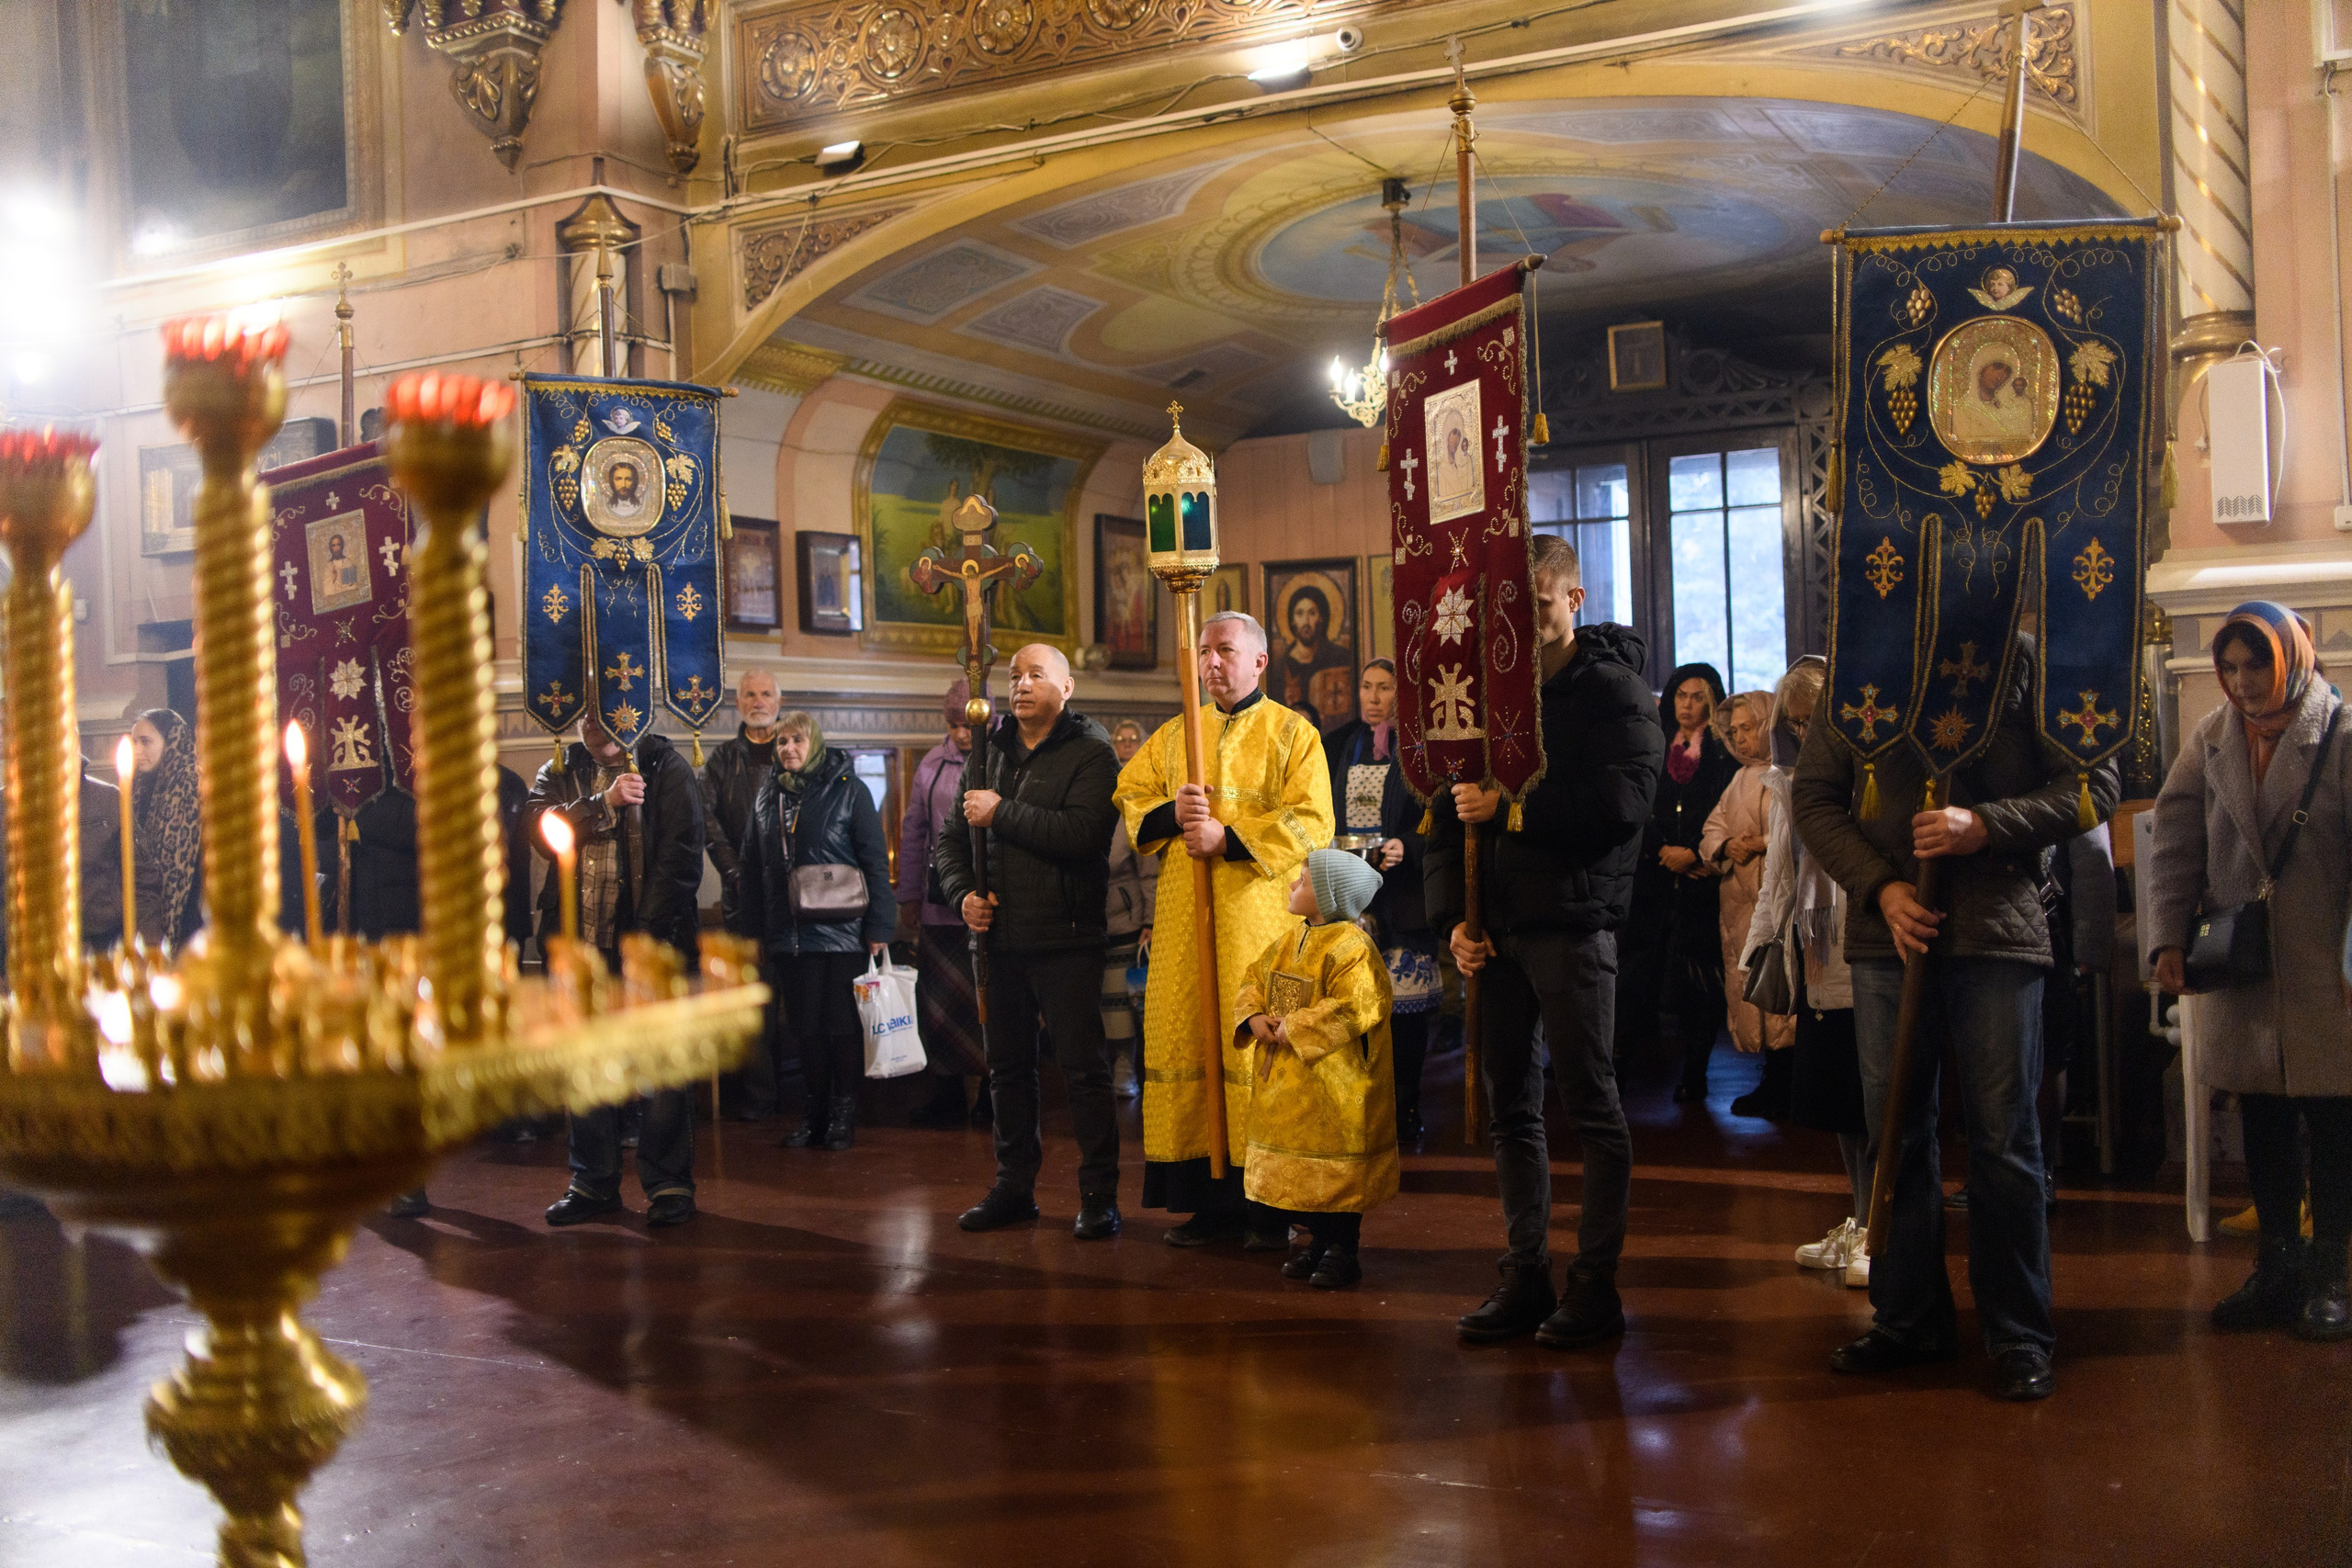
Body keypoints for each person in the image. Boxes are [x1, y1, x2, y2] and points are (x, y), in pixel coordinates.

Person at [1792, 630, 2116, 1403]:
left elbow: (2093, 783)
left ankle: (2018, 1330)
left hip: (1998, 927)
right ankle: (1907, 1318)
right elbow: (1815, 795)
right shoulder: (1863, 658)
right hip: (1889, 936)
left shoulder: (2026, 659)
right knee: (1893, 1128)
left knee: (2005, 1137)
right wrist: (1882, 888)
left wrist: (1985, 825)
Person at [1436, 536, 1663, 1347]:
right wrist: (1453, 922)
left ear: (1574, 598)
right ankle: (1523, 1269)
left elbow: (1623, 803)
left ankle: (1595, 1283)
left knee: (1592, 1105)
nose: (1526, 620)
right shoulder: (1486, 691)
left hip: (1572, 923)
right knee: (1511, 1107)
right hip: (1495, 930)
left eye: (1539, 601)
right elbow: (1445, 813)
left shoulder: (1614, 689)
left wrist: (1516, 811)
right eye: (1513, 607)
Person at [2147, 603, 2352, 1342]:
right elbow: (2172, 838)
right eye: (2229, 668)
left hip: (2326, 963)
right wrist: (2166, 936)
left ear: (2290, 656)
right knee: (2262, 1115)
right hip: (2244, 960)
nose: (2241, 681)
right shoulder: (2211, 738)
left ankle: (2333, 1271)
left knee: (2334, 1120)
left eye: (2255, 664)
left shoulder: (2340, 733)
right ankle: (2279, 1267)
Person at [1114, 611, 1334, 1248]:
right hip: (1185, 922)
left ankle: (1268, 1207)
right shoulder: (1176, 732)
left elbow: (1314, 821)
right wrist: (1169, 812)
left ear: (1260, 660)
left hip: (1259, 920)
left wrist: (1227, 836)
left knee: (1258, 1048)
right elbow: (1130, 794)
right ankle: (1206, 1199)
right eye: (1204, 651)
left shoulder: (1293, 733)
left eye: (1225, 650)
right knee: (1191, 1042)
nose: (1212, 662)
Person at [937, 645, 1125, 1239]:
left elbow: (1082, 833)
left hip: (1066, 936)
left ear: (1066, 688)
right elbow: (950, 840)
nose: (1020, 685)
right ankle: (1014, 1186)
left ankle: (1098, 1194)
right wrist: (963, 895)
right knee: (1007, 1070)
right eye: (1014, 675)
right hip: (998, 940)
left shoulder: (1091, 752)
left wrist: (1002, 813)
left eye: (1035, 675)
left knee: (1083, 1070)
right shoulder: (988, 751)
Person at [532, 710, 707, 1227]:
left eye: (605, 713)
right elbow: (542, 832)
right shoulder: (560, 770)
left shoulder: (666, 766)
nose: (594, 726)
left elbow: (680, 860)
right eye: (584, 716)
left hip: (650, 945)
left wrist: (643, 937)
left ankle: (669, 1184)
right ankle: (593, 1182)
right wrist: (603, 804)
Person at [1743, 658, 1871, 1287]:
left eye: (1811, 718)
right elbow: (1780, 875)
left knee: (1872, 1102)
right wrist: (1763, 945)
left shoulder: (1863, 776)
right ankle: (1862, 1214)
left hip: (1862, 949)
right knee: (1842, 1105)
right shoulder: (1789, 781)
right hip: (1818, 955)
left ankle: (1881, 1225)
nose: (1803, 731)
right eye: (1795, 723)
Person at [1234, 849, 1397, 1289]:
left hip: (1335, 1086)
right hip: (1292, 1084)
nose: (1291, 886)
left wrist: (1295, 1026)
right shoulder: (1290, 939)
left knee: (1336, 1173)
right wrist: (1252, 1016)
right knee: (1308, 1173)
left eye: (1302, 881)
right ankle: (1319, 1243)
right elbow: (1254, 977)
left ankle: (1344, 1249)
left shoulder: (1352, 946)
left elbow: (1358, 1005)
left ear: (1328, 895)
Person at [732, 711, 893, 1152]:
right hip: (788, 936)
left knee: (840, 1028)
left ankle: (843, 1116)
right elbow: (751, 868)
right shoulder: (768, 797)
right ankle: (814, 1117)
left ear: (814, 743)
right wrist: (752, 933)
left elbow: (875, 861)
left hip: (842, 935)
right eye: (782, 742)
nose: (788, 749)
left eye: (797, 740)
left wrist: (880, 926)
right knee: (805, 1030)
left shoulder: (849, 790)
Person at [1323, 659, 1439, 1141]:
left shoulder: (1420, 749)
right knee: (1350, 1009)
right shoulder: (1339, 745)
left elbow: (1438, 815)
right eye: (1366, 687)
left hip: (1404, 896)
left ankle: (1406, 1105)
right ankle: (1359, 1109)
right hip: (1349, 895)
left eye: (1384, 688)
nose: (1373, 697)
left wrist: (1406, 845)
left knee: (1405, 1013)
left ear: (1401, 694)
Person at [1616, 663, 1736, 1100]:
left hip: (1700, 877)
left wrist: (1695, 852)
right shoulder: (1651, 745)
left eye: (1698, 696)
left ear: (1713, 700)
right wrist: (1661, 848)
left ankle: (1696, 1072)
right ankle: (1617, 1065)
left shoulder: (1725, 754)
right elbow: (1635, 800)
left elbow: (1726, 809)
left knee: (1696, 980)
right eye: (1681, 695)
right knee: (1634, 974)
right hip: (1651, 874)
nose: (1688, 705)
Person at [898, 680, 989, 1128]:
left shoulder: (1006, 756)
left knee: (987, 1000)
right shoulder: (932, 764)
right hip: (940, 904)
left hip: (992, 899)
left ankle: (993, 1095)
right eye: (953, 725)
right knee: (940, 1003)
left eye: (967, 725)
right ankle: (947, 1092)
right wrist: (909, 895)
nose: (961, 734)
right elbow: (914, 832)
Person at [1701, 690, 1795, 1117]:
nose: (1739, 738)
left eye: (1747, 727)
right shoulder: (1738, 780)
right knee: (1755, 987)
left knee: (1786, 988)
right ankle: (1772, 1080)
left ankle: (1789, 1080)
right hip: (1740, 907)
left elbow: (1808, 830)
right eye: (1732, 731)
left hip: (1781, 902)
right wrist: (1726, 845)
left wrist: (1765, 842)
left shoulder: (1792, 773)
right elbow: (1711, 830)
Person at [703, 667, 785, 1120]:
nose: (758, 702)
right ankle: (761, 1096)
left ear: (780, 700)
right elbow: (708, 822)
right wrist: (736, 874)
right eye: (750, 694)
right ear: (738, 703)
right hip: (743, 900)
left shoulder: (795, 749)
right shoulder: (721, 761)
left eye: (766, 694)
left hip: (793, 899)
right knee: (755, 999)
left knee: (798, 996)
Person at [1103, 716, 1159, 1101]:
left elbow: (1148, 866)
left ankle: (1126, 1066)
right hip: (1090, 918)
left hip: (1126, 915)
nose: (1125, 745)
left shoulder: (1139, 797)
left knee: (1122, 999)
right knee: (1099, 1002)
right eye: (1119, 739)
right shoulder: (1098, 791)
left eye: (1132, 739)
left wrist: (1151, 919)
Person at [126, 708, 203, 950]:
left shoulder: (193, 784)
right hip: (146, 907)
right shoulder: (136, 787)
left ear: (171, 742)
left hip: (192, 906)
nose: (137, 750)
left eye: (146, 741)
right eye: (134, 742)